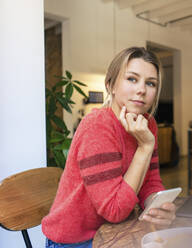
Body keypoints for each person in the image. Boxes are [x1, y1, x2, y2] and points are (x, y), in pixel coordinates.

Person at [42, 47, 176, 248]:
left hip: (116, 230)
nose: (142, 89)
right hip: (76, 240)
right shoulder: (97, 125)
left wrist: (158, 207)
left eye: (150, 83)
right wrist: (144, 148)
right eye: (132, 79)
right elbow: (114, 211)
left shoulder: (148, 124)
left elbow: (150, 182)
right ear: (110, 85)